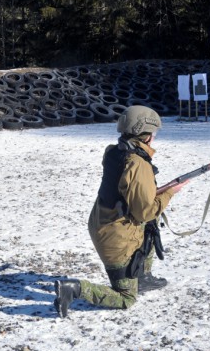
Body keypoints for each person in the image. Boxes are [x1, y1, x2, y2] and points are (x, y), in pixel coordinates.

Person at [54, 105, 188, 318]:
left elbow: (126, 190)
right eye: (153, 133)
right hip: (115, 238)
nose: (154, 137)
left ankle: (143, 277)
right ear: (146, 136)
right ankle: (74, 289)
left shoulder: (114, 152)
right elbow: (145, 212)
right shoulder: (138, 163)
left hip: (102, 223)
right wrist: (171, 191)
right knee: (126, 297)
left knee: (151, 227)